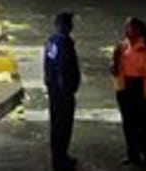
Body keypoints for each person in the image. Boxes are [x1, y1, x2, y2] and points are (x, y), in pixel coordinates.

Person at [111, 17, 146, 167]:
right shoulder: (121, 47)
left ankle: (144, 150)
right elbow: (114, 70)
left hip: (144, 88)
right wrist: (114, 60)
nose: (128, 31)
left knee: (144, 122)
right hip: (125, 88)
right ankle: (132, 153)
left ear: (139, 29)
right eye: (127, 28)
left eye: (131, 28)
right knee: (129, 122)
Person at [44, 12, 81, 171]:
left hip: (54, 91)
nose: (72, 26)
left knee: (56, 125)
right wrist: (67, 89)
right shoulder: (65, 43)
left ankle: (58, 157)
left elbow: (47, 65)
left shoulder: (52, 41)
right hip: (62, 93)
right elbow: (63, 68)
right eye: (70, 23)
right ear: (64, 25)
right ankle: (61, 160)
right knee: (63, 126)